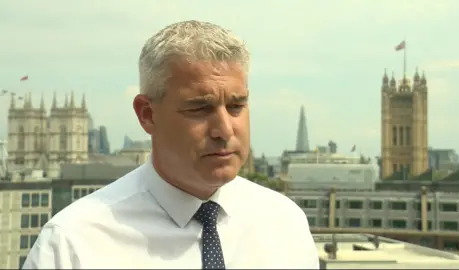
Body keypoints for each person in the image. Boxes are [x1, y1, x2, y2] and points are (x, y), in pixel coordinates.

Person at [22, 20, 320, 269]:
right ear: (147, 115)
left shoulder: (284, 222)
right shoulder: (72, 244)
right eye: (200, 108)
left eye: (236, 105)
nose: (224, 129)